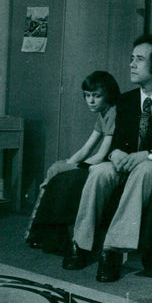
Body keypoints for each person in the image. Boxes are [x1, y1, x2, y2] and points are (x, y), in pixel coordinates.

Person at [62, 34, 152, 282]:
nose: (131, 64)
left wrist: (149, 154)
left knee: (145, 169)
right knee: (100, 171)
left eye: (139, 59)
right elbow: (116, 142)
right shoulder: (125, 101)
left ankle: (112, 250)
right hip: (129, 163)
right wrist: (116, 153)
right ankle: (80, 244)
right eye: (131, 58)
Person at [25, 71, 120, 248]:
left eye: (97, 96)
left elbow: (102, 154)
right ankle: (42, 232)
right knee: (56, 168)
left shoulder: (114, 113)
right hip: (99, 163)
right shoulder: (102, 114)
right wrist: (66, 164)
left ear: (108, 94)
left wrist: (74, 167)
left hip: (108, 167)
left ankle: (42, 232)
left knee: (59, 175)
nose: (91, 101)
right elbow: (86, 148)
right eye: (87, 96)